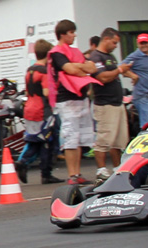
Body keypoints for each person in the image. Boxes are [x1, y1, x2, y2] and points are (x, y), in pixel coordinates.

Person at [47, 20, 100, 186]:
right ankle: (72, 174)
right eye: (71, 32)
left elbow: (92, 68)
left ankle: (77, 173)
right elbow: (71, 69)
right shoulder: (56, 53)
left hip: (82, 98)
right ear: (63, 34)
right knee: (70, 137)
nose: (74, 35)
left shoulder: (75, 52)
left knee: (80, 138)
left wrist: (80, 66)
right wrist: (81, 67)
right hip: (67, 99)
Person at [87, 28, 132, 182]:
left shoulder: (110, 57)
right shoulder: (96, 57)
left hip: (117, 103)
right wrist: (119, 70)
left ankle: (118, 168)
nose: (115, 46)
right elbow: (102, 77)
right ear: (105, 39)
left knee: (118, 140)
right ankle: (101, 170)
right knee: (104, 139)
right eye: (114, 42)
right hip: (105, 104)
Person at [15, 39, 59, 185]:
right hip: (42, 110)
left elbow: (28, 91)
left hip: (29, 108)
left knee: (34, 140)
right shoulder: (44, 71)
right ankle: (46, 174)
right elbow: (46, 92)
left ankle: (23, 161)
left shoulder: (30, 69)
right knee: (47, 141)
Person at [123, 33, 148, 128]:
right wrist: (132, 76)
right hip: (144, 97)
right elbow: (121, 67)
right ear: (138, 44)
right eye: (141, 43)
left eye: (146, 43)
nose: (144, 45)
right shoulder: (135, 56)